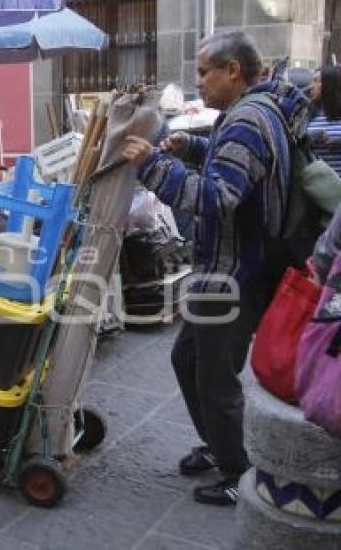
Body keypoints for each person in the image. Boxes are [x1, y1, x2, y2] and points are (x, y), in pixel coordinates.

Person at [122, 31, 311, 506]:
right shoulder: (256, 110)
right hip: (233, 266)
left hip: (235, 272)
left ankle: (237, 473)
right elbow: (240, 169)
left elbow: (218, 198)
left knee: (214, 377)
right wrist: (193, 150)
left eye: (205, 71)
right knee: (188, 359)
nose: (199, 81)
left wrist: (153, 168)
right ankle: (219, 444)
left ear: (234, 71)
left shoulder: (247, 119)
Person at [307, 66, 341, 174]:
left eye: (316, 81)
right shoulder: (306, 114)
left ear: (329, 85)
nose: (311, 86)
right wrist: (312, 136)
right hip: (318, 186)